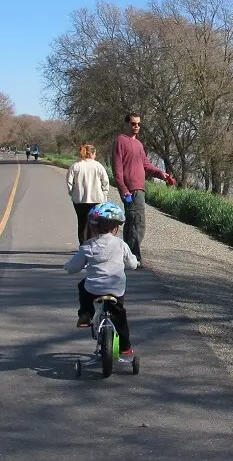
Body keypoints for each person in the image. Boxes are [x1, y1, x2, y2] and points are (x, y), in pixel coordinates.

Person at [63, 202, 138, 355]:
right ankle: (125, 348)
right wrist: (135, 262)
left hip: (94, 289)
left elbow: (74, 267)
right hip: (116, 290)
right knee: (120, 318)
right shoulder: (121, 245)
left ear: (93, 227)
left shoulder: (88, 246)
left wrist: (68, 267)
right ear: (117, 228)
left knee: (82, 285)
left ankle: (85, 314)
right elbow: (131, 264)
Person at [111, 112, 175, 264]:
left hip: (140, 188)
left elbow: (146, 165)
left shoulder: (139, 145)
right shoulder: (120, 141)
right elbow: (117, 169)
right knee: (136, 223)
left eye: (139, 124)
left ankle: (127, 255)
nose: (136, 127)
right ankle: (134, 257)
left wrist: (162, 174)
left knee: (134, 223)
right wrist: (123, 189)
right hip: (130, 190)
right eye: (133, 124)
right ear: (126, 124)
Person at [66, 143, 110, 244]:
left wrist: (72, 193)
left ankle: (83, 245)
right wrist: (104, 194)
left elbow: (69, 182)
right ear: (92, 154)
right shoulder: (98, 166)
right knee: (95, 224)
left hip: (79, 200)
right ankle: (94, 244)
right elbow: (105, 182)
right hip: (96, 200)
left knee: (82, 223)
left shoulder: (76, 166)